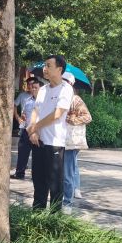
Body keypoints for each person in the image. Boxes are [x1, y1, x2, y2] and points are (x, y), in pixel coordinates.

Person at [26, 55, 73, 211]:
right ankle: (37, 213)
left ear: (59, 69)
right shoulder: (42, 90)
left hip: (55, 143)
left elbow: (57, 114)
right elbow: (36, 110)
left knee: (55, 184)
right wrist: (33, 131)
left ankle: (54, 217)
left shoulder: (66, 89)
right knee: (38, 180)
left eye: (48, 66)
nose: (44, 69)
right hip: (38, 141)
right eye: (44, 65)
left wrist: (34, 127)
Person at [62, 71, 92, 213]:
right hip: (57, 139)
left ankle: (67, 203)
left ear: (70, 84)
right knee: (60, 172)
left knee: (68, 172)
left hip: (71, 142)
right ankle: (60, 200)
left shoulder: (75, 100)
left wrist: (70, 119)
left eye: (65, 81)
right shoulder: (57, 97)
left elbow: (87, 117)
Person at [11, 77, 41, 179]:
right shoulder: (27, 100)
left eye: (35, 87)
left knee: (37, 155)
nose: (33, 89)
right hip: (26, 130)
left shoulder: (44, 101)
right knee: (22, 152)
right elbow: (23, 112)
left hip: (38, 131)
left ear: (40, 88)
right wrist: (21, 117)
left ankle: (37, 176)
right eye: (32, 87)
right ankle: (20, 173)